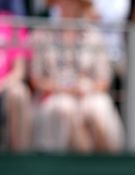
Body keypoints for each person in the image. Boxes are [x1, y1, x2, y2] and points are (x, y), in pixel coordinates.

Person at [29, 0, 124, 153]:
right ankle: (82, 166)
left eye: (73, 2)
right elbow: (36, 79)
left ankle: (108, 164)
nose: (68, 5)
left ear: (81, 5)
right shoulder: (42, 35)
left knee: (98, 109)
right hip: (54, 95)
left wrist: (85, 89)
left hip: (88, 93)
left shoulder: (94, 36)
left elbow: (104, 80)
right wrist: (62, 88)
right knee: (65, 108)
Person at [0, 0, 32, 152]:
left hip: (5, 89)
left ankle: (19, 159)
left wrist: (2, 84)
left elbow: (19, 70)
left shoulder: (12, 23)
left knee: (19, 93)